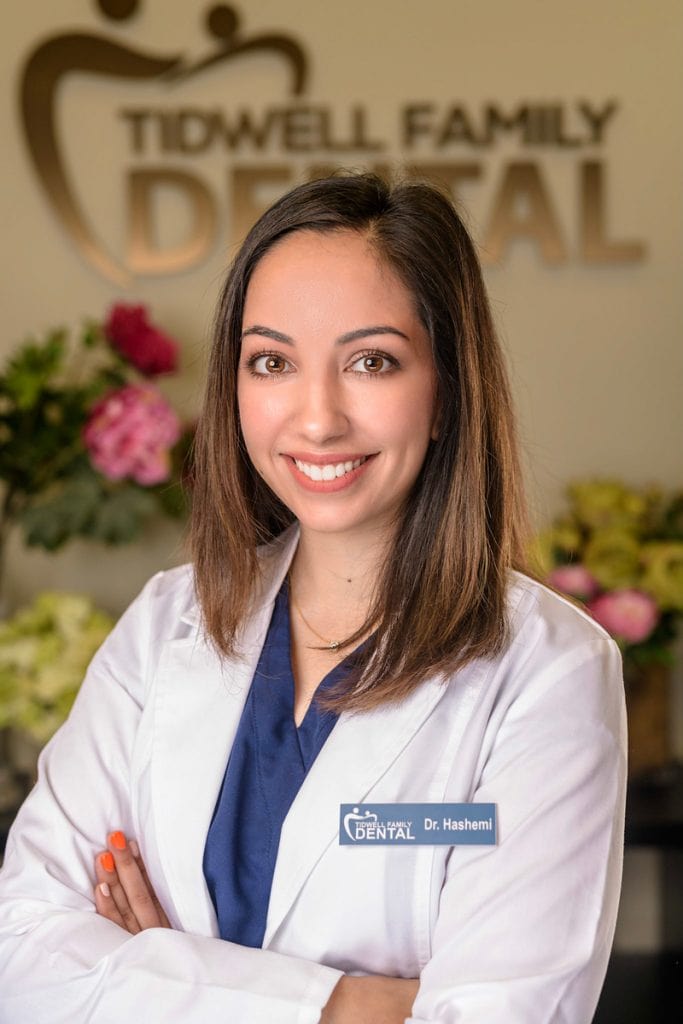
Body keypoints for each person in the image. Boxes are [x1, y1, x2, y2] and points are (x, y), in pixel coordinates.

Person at [0, 173, 626, 1023]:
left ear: (446, 392)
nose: (317, 418)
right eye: (272, 362)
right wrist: (350, 1006)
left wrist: (159, 971)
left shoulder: (547, 673)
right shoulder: (162, 627)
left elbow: (499, 1014)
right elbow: (23, 957)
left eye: (371, 361)